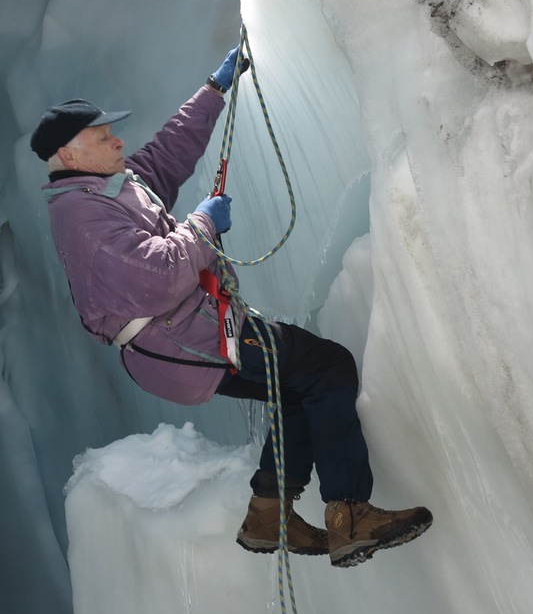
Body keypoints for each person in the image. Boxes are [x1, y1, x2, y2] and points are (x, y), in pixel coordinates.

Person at [32, 49, 432, 567]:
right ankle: (349, 513)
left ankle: (270, 516)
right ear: (67, 155)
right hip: (184, 341)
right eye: (103, 137)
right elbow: (157, 277)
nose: (118, 141)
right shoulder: (80, 216)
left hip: (190, 334)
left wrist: (213, 91)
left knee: (298, 384)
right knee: (327, 367)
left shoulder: (109, 188)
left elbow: (166, 156)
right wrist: (202, 224)